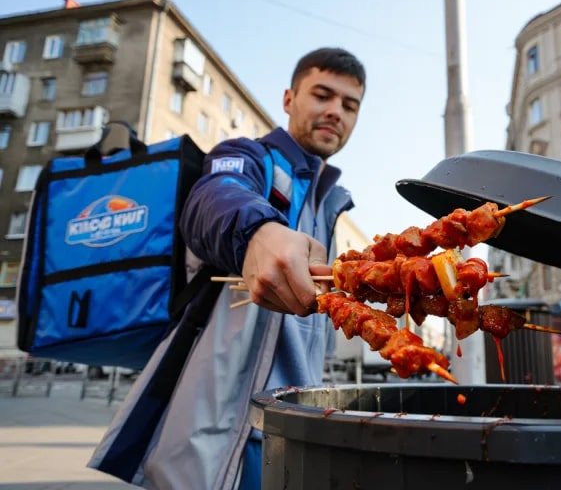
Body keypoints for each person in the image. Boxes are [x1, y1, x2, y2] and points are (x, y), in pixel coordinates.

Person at [89, 47, 366, 490]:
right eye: (322, 95)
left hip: (298, 423)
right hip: (222, 423)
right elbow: (214, 198)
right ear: (290, 98)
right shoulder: (247, 156)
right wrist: (259, 231)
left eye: (349, 105)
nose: (335, 112)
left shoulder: (330, 202)